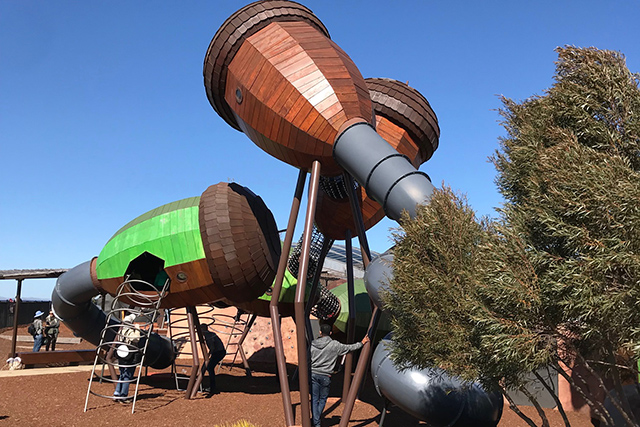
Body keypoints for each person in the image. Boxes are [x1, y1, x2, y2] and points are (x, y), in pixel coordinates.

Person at [310, 323, 369, 427]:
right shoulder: (335, 345)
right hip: (326, 375)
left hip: (314, 373)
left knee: (315, 398)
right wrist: (361, 343)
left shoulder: (313, 344)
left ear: (320, 332)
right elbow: (350, 347)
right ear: (331, 333)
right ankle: (316, 421)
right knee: (323, 398)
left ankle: (315, 420)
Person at [114, 314, 141, 402]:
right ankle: (123, 395)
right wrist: (137, 329)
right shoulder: (129, 331)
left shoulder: (120, 331)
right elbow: (136, 338)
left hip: (122, 354)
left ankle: (117, 392)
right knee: (127, 375)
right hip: (129, 355)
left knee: (122, 374)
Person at [200, 323, 226, 395]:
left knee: (210, 367)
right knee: (209, 367)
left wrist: (208, 355)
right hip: (219, 351)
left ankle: (212, 388)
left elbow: (212, 347)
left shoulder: (208, 336)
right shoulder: (210, 334)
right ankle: (212, 386)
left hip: (218, 352)